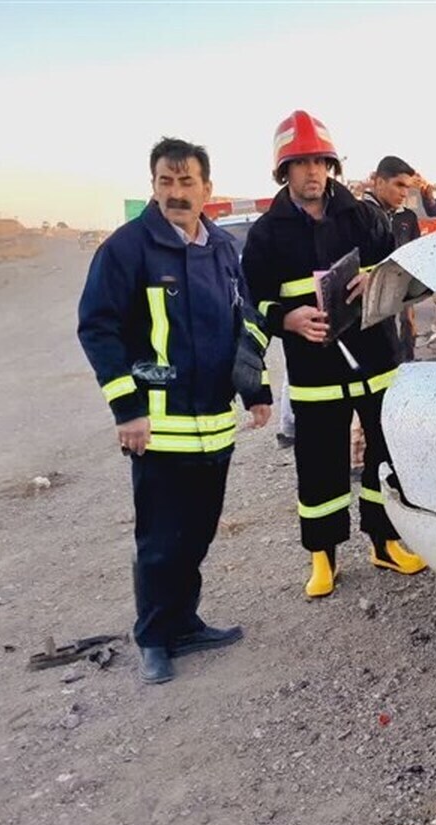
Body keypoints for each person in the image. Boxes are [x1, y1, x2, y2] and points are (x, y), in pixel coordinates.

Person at [77, 137, 272, 685]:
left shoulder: (222, 250)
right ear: (153, 186)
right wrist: (127, 410)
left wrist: (253, 391)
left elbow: (243, 323)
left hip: (212, 428)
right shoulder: (127, 248)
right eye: (166, 182)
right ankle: (155, 638)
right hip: (157, 430)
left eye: (187, 183)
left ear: (207, 188)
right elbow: (98, 327)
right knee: (161, 542)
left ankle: (185, 622)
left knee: (198, 535)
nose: (176, 193)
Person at [242, 111, 427, 599]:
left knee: (386, 457)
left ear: (331, 166)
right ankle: (322, 558)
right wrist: (286, 318)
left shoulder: (364, 216)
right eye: (300, 163)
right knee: (319, 465)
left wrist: (378, 278)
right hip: (315, 370)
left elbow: (407, 272)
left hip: (375, 362)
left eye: (319, 162)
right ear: (284, 171)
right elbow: (251, 300)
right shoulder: (266, 234)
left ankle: (384, 542)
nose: (312, 173)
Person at [361, 155, 423, 361]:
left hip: (399, 293)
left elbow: (415, 253)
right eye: (398, 185)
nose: (404, 193)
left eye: (407, 187)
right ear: (379, 182)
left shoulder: (406, 217)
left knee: (403, 341)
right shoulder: (360, 216)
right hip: (367, 304)